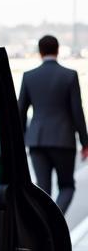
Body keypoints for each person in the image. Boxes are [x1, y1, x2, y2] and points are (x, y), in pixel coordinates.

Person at [18, 35, 88, 215]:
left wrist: (21, 141)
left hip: (37, 141)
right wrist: (85, 142)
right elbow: (77, 111)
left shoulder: (29, 76)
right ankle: (55, 223)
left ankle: (46, 228)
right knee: (67, 186)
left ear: (40, 52)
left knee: (43, 191)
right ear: (57, 50)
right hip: (63, 140)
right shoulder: (70, 76)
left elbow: (20, 112)